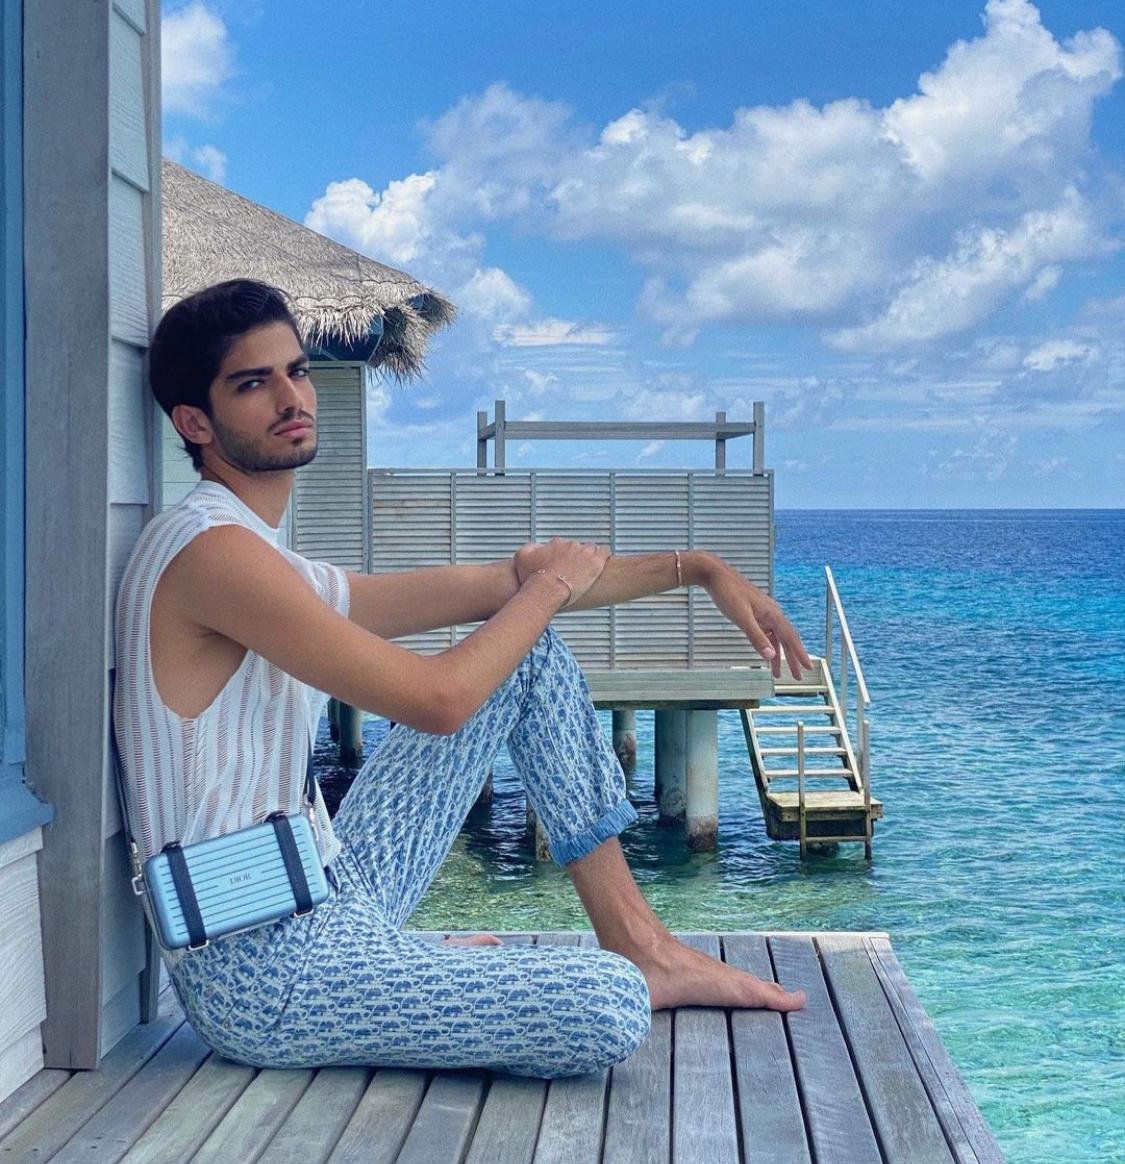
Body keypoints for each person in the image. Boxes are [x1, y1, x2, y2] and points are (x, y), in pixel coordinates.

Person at [114, 278, 810, 1078]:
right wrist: (547, 588)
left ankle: (640, 943)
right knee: (607, 1007)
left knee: (527, 654)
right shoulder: (212, 554)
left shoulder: (259, 555)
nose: (290, 397)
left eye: (296, 371)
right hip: (265, 976)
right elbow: (439, 702)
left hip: (332, 889)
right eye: (252, 383)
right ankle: (571, 969)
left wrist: (699, 568)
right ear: (195, 423)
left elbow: (502, 583)